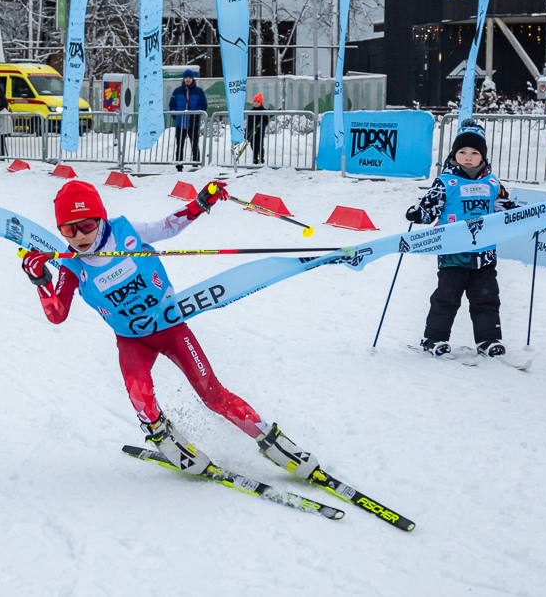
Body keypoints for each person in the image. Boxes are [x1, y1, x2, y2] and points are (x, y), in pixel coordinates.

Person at [19, 180, 321, 479]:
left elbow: (168, 226)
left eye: (86, 224)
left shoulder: (126, 232)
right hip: (131, 340)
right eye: (68, 229)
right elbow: (57, 315)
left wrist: (200, 205)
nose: (80, 236)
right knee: (140, 397)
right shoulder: (71, 264)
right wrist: (41, 281)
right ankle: (168, 443)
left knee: (213, 394)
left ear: (100, 218)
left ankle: (274, 443)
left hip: (171, 328)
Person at [405, 118, 516, 358]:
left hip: (484, 254)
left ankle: (489, 339)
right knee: (447, 297)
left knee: (486, 298)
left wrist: (516, 213)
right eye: (462, 152)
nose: (468, 157)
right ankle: (434, 338)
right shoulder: (446, 182)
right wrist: (419, 214)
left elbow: (504, 209)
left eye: (474, 152)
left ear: (483, 157)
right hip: (453, 251)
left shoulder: (493, 183)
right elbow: (430, 207)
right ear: (454, 155)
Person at [168, 69, 207, 172]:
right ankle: (179, 165)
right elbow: (172, 105)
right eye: (186, 78)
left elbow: (203, 105)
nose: (188, 79)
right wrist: (176, 116)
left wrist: (197, 115)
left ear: (192, 79)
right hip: (180, 124)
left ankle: (196, 163)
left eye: (190, 78)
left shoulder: (198, 91)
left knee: (194, 144)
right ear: (184, 79)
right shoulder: (177, 91)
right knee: (179, 145)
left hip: (193, 123)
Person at [246, 93, 270, 165]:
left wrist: (262, 126)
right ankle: (255, 158)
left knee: (259, 145)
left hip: (260, 132)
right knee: (253, 146)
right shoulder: (251, 111)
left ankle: (261, 159)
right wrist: (248, 132)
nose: (256, 104)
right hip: (252, 131)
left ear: (261, 103)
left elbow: (266, 121)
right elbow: (249, 123)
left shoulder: (263, 111)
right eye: (255, 102)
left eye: (258, 102)